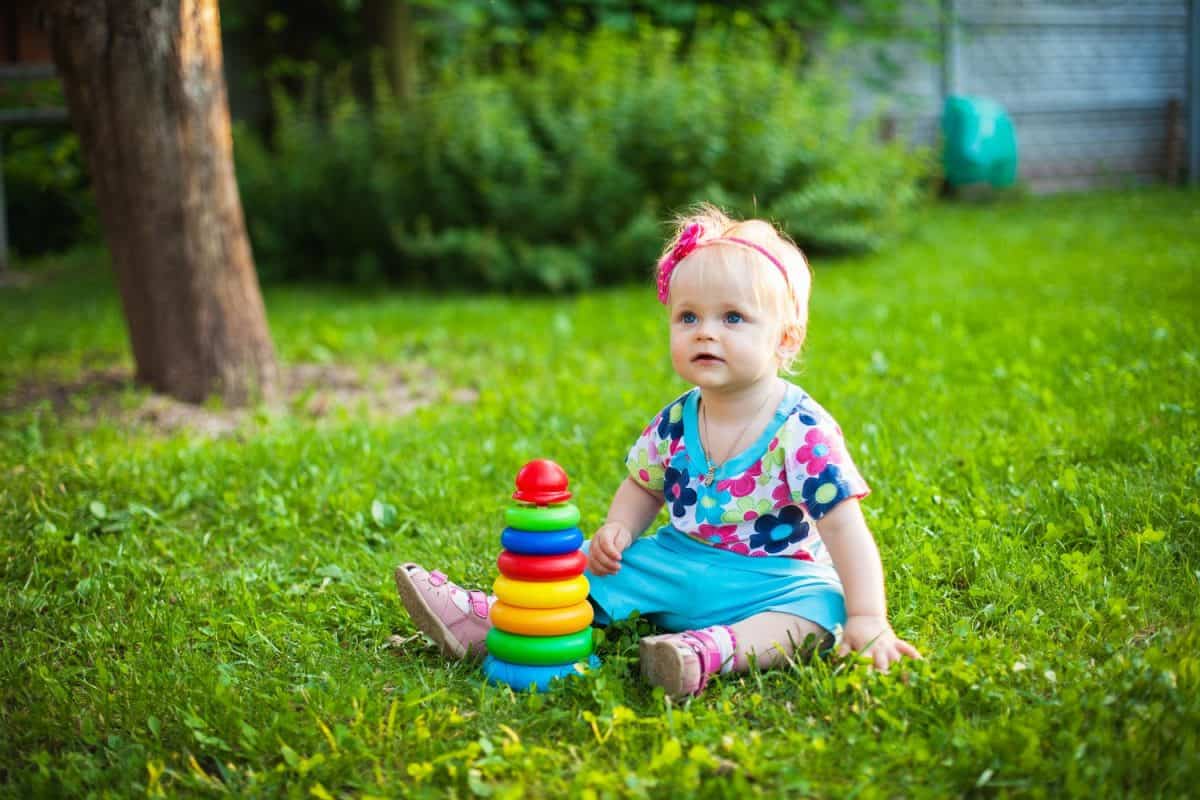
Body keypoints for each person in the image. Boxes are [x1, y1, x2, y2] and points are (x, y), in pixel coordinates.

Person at [395, 205, 920, 695]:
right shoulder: (676, 420)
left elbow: (846, 528)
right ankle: (494, 619)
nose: (705, 333)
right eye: (688, 317)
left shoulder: (803, 432)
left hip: (772, 581)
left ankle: (702, 653)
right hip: (677, 562)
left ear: (786, 337)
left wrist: (868, 617)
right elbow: (644, 484)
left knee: (825, 608)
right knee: (587, 570)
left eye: (732, 318)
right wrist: (621, 528)